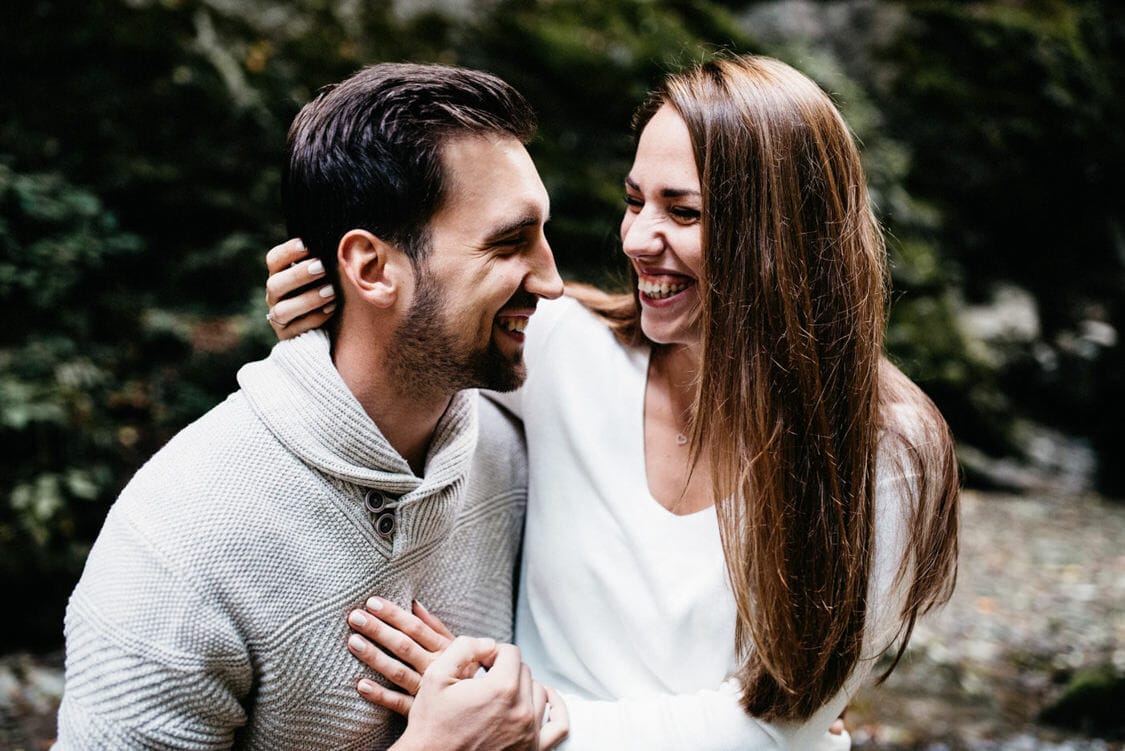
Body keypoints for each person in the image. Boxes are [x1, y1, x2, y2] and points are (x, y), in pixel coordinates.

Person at [267, 54, 960, 749]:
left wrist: (523, 721)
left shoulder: (886, 449)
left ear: (784, 232)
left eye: (682, 212)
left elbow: (782, 726)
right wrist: (326, 311)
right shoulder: (564, 347)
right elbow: (415, 333)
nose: (635, 239)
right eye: (634, 202)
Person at [54, 63, 570, 750]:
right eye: (508, 242)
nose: (553, 281)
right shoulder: (178, 544)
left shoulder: (512, 450)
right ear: (372, 268)